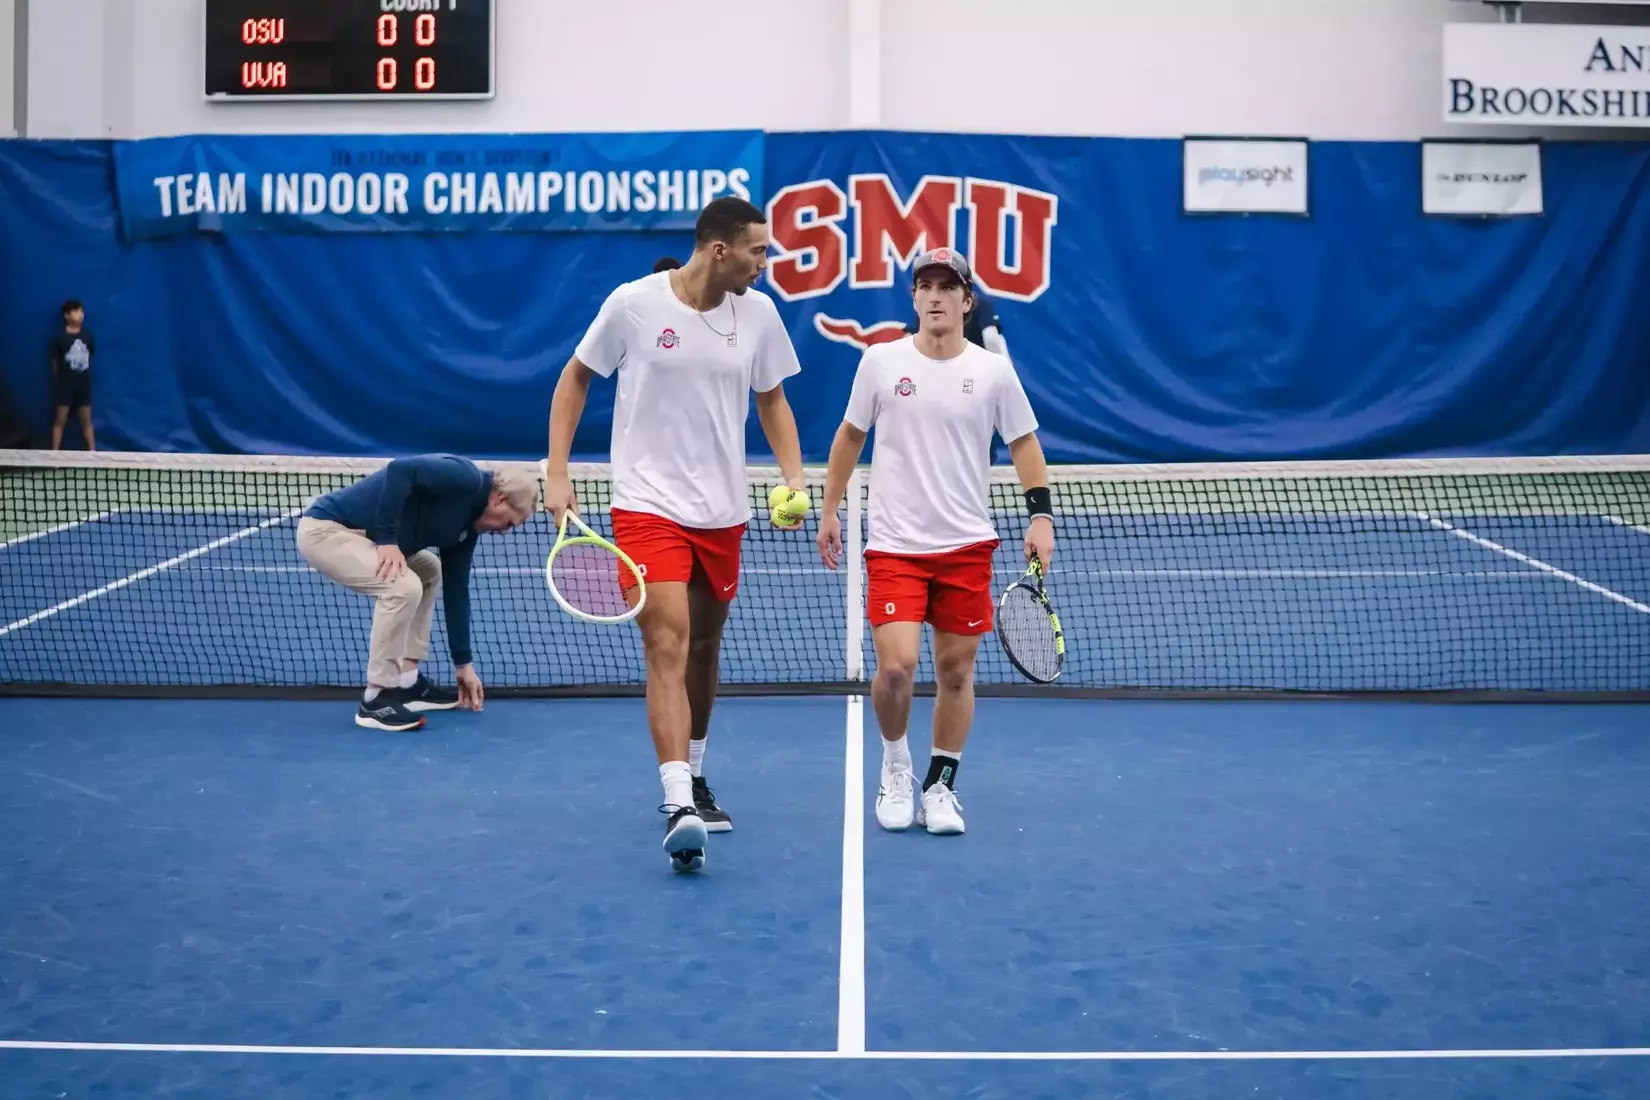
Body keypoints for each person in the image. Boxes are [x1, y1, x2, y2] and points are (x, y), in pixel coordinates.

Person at [545, 196, 808, 872]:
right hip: (646, 504)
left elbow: (772, 397)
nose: (765, 262)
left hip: (722, 510)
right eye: (758, 250)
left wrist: (794, 478)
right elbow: (575, 377)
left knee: (705, 646)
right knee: (667, 638)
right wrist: (556, 471)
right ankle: (676, 803)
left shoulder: (759, 316)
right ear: (719, 250)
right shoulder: (633, 304)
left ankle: (695, 772)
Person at [817, 248, 1054, 836]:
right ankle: (896, 765)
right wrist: (829, 508)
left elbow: (1024, 442)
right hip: (896, 545)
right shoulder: (880, 362)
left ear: (967, 301)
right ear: (915, 298)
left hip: (967, 545)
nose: (936, 295)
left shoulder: (994, 373)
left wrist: (1041, 517)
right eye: (925, 285)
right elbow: (850, 436)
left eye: (948, 286)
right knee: (896, 669)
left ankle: (941, 785)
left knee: (955, 673)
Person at [296, 454, 538, 731]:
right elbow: (401, 469)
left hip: (362, 538)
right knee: (402, 586)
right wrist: (388, 539)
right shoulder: (465, 478)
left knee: (428, 571)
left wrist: (463, 664)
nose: (505, 533)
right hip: (327, 531)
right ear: (499, 500)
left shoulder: (464, 531)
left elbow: (457, 592)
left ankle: (407, 682)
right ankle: (376, 699)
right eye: (509, 524)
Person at [903, 280, 1013, 366]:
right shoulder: (926, 310)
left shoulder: (981, 307)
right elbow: (992, 339)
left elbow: (991, 338)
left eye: (947, 287)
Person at [50, 300, 96, 451]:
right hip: (65, 386)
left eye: (82, 311)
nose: (80, 315)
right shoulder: (59, 339)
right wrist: (63, 379)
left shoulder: (88, 337)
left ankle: (93, 454)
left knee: (86, 420)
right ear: (66, 315)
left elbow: (91, 358)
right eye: (76, 311)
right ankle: (54, 456)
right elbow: (55, 363)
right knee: (60, 420)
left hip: (83, 385)